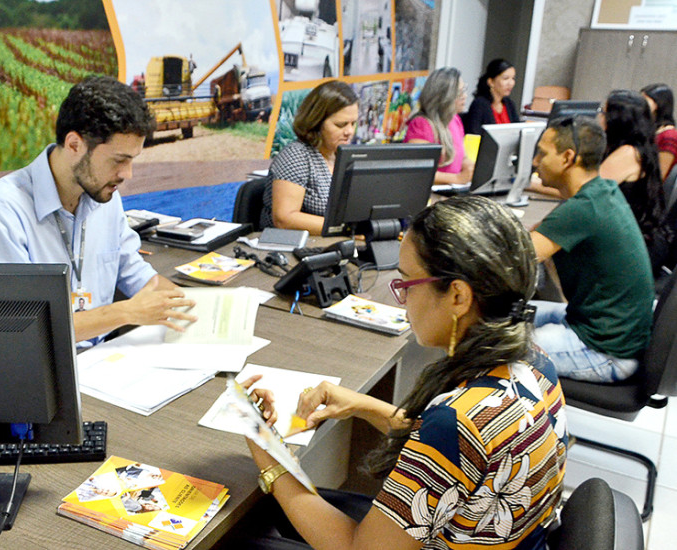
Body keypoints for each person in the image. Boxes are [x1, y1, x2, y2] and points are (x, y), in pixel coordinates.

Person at [239, 195, 567, 550]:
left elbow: (356, 549)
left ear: (458, 295)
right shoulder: (534, 361)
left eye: (407, 284)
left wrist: (270, 457)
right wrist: (362, 405)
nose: (403, 300)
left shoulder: (459, 421)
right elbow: (462, 457)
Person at [0, 75, 197, 344]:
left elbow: (137, 274)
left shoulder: (105, 197)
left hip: (102, 359)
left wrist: (200, 310)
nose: (128, 174)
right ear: (75, 144)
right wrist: (124, 312)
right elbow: (23, 328)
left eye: (132, 160)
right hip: (45, 371)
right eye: (119, 161)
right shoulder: (2, 211)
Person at [530, 116, 654, 382]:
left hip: (606, 352)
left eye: (541, 154)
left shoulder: (583, 209)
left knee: (491, 345)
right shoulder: (602, 191)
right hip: (608, 331)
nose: (535, 162)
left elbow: (512, 258)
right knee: (513, 316)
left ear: (568, 158)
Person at [260, 80, 358, 235]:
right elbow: (284, 219)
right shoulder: (296, 156)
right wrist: (345, 229)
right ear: (317, 122)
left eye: (353, 124)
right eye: (341, 125)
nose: (349, 131)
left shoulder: (343, 156)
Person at [598, 89, 665, 248]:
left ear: (617, 120)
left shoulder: (628, 154)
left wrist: (534, 185)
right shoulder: (639, 147)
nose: (600, 117)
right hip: (627, 235)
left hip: (629, 243)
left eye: (604, 112)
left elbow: (587, 192)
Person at [404, 67, 475, 186]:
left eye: (464, 90)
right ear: (444, 98)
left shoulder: (455, 119)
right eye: (459, 93)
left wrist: (468, 164)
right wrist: (457, 178)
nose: (465, 96)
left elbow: (461, 157)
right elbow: (419, 172)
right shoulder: (421, 124)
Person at [462, 58, 521, 135]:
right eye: (506, 78)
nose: (511, 83)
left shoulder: (509, 104)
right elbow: (474, 134)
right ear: (491, 82)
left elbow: (517, 130)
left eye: (513, 78)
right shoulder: (479, 104)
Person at [641, 83, 677, 181]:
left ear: (659, 104)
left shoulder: (669, 136)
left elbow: (659, 176)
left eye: (645, 101)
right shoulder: (652, 130)